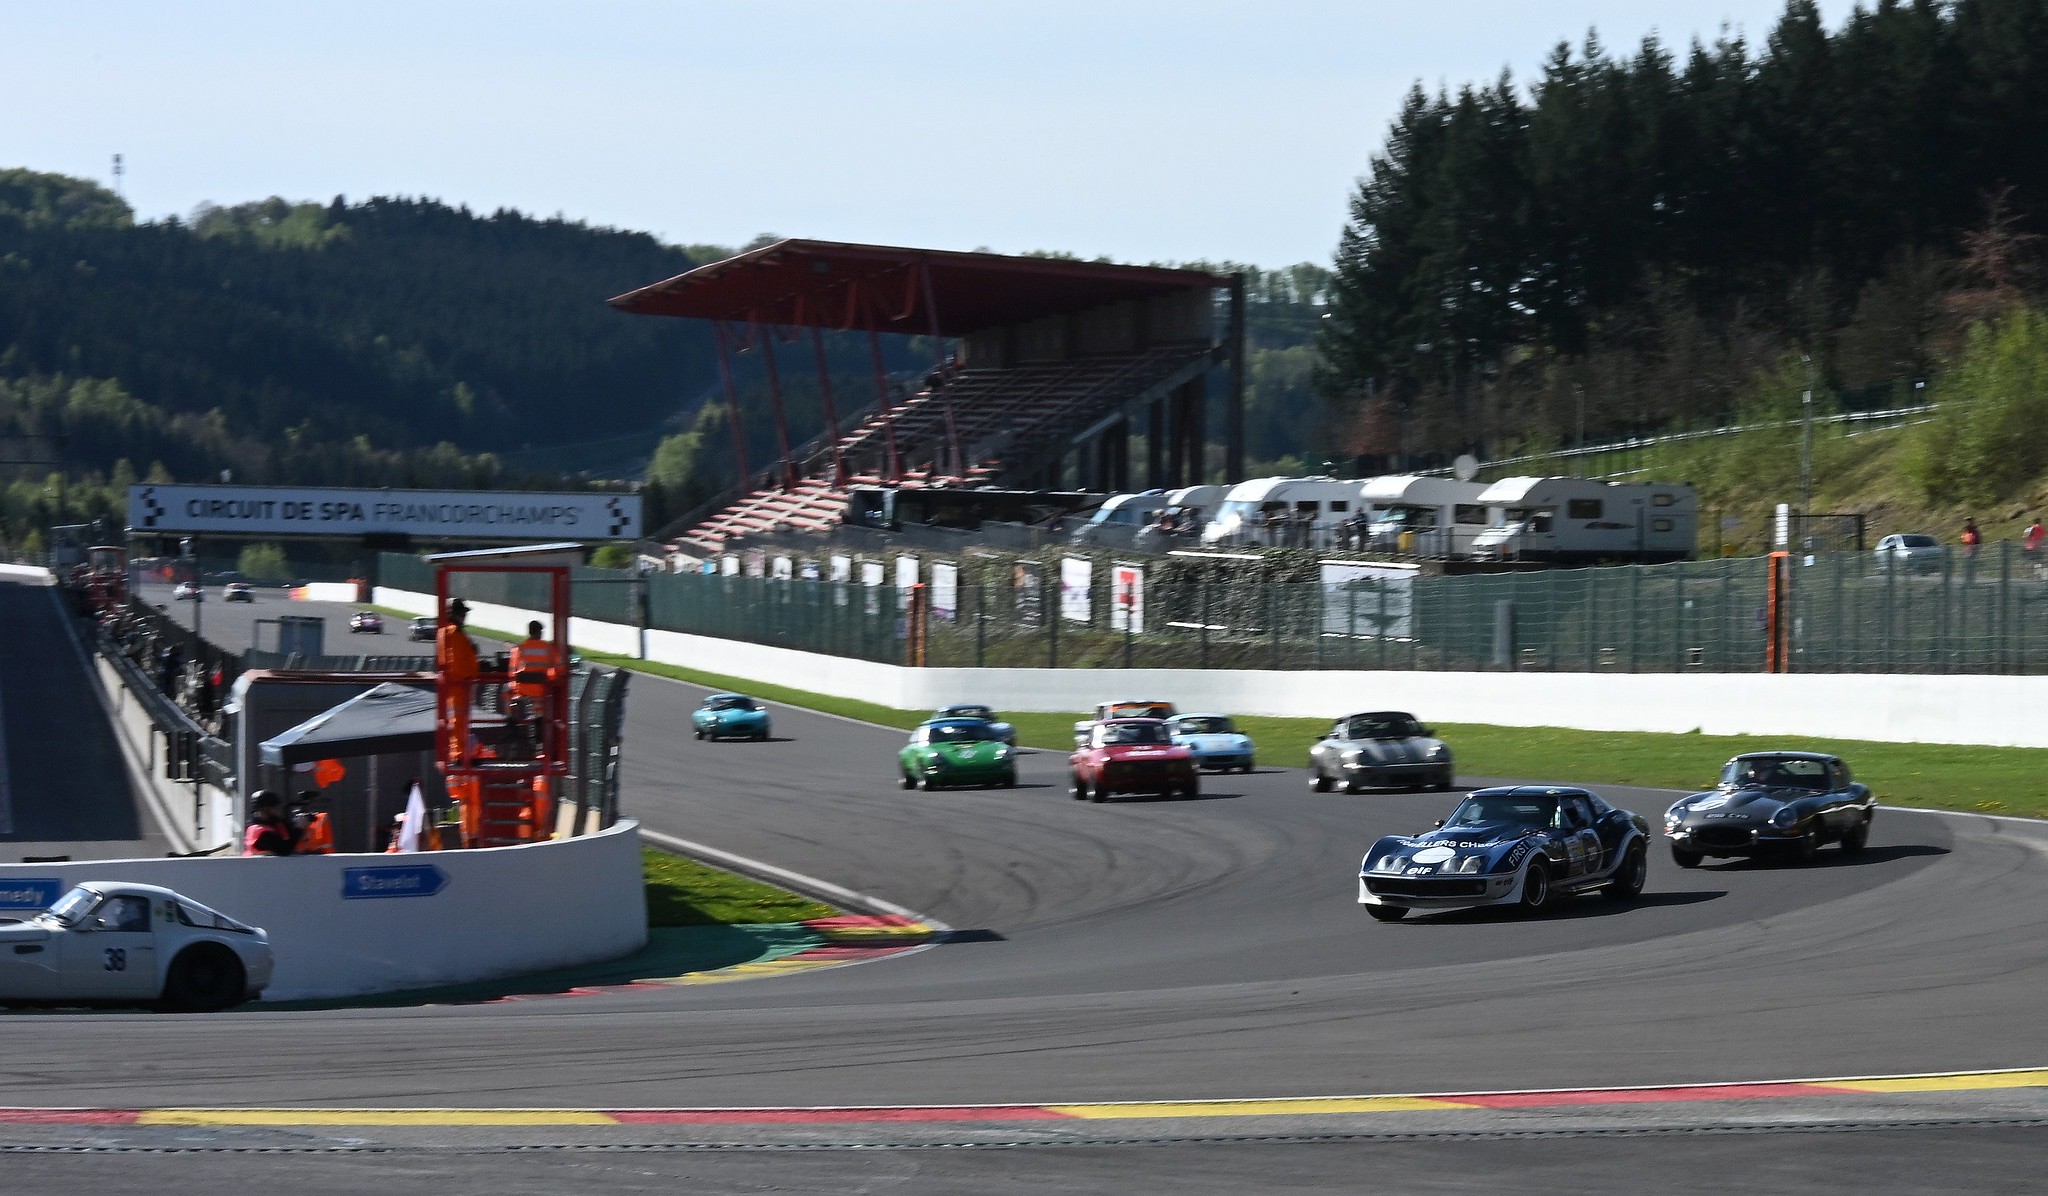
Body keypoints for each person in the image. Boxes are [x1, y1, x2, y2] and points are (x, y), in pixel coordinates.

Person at [437, 599, 480, 765]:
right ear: (457, 614)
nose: (464, 617)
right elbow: (457, 662)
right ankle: (459, 755)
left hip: (460, 684)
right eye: (463, 613)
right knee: (458, 721)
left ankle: (461, 754)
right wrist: (469, 675)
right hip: (460, 684)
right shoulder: (454, 633)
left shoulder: (451, 632)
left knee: (459, 721)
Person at [242, 790, 301, 856]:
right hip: (260, 862)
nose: (278, 811)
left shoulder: (276, 823)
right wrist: (299, 829)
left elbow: (288, 836)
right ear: (265, 809)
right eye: (275, 808)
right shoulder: (259, 830)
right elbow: (284, 850)